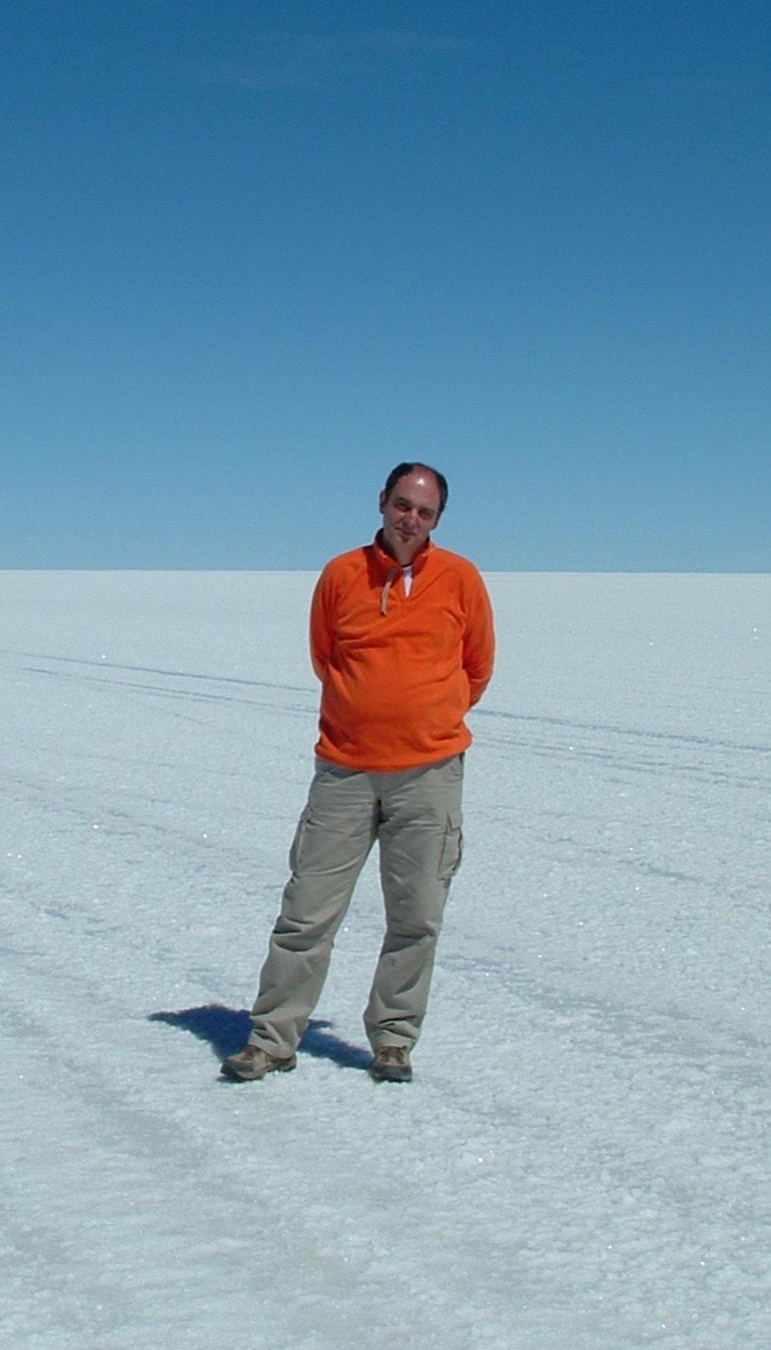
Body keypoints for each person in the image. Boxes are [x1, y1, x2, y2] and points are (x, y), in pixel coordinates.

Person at [222, 461, 496, 1084]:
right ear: (382, 502)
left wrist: (429, 716)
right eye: (403, 505)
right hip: (345, 772)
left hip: (428, 775)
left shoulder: (461, 579)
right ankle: (272, 1038)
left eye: (424, 512)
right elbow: (326, 658)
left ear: (437, 520)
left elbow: (477, 666)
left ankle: (393, 1039)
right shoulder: (342, 574)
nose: (411, 520)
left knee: (416, 917)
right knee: (306, 913)